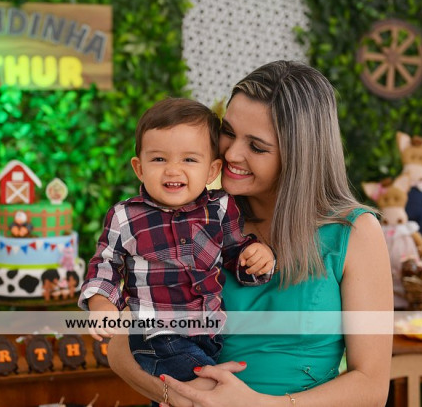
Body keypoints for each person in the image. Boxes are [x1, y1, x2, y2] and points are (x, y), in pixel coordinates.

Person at [106, 60, 393, 407]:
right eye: (228, 132)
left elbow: (372, 386)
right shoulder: (192, 215)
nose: (231, 153)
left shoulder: (355, 233)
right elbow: (120, 347)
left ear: (300, 156)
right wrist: (181, 397)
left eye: (256, 147)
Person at [78, 97, 275, 390]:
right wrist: (100, 303)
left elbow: (235, 252)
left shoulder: (220, 208)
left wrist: (256, 256)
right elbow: (105, 264)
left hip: (208, 333)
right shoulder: (125, 216)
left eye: (189, 159)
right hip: (156, 335)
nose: (172, 170)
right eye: (159, 159)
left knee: (179, 394)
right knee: (210, 388)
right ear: (139, 168)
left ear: (212, 170)